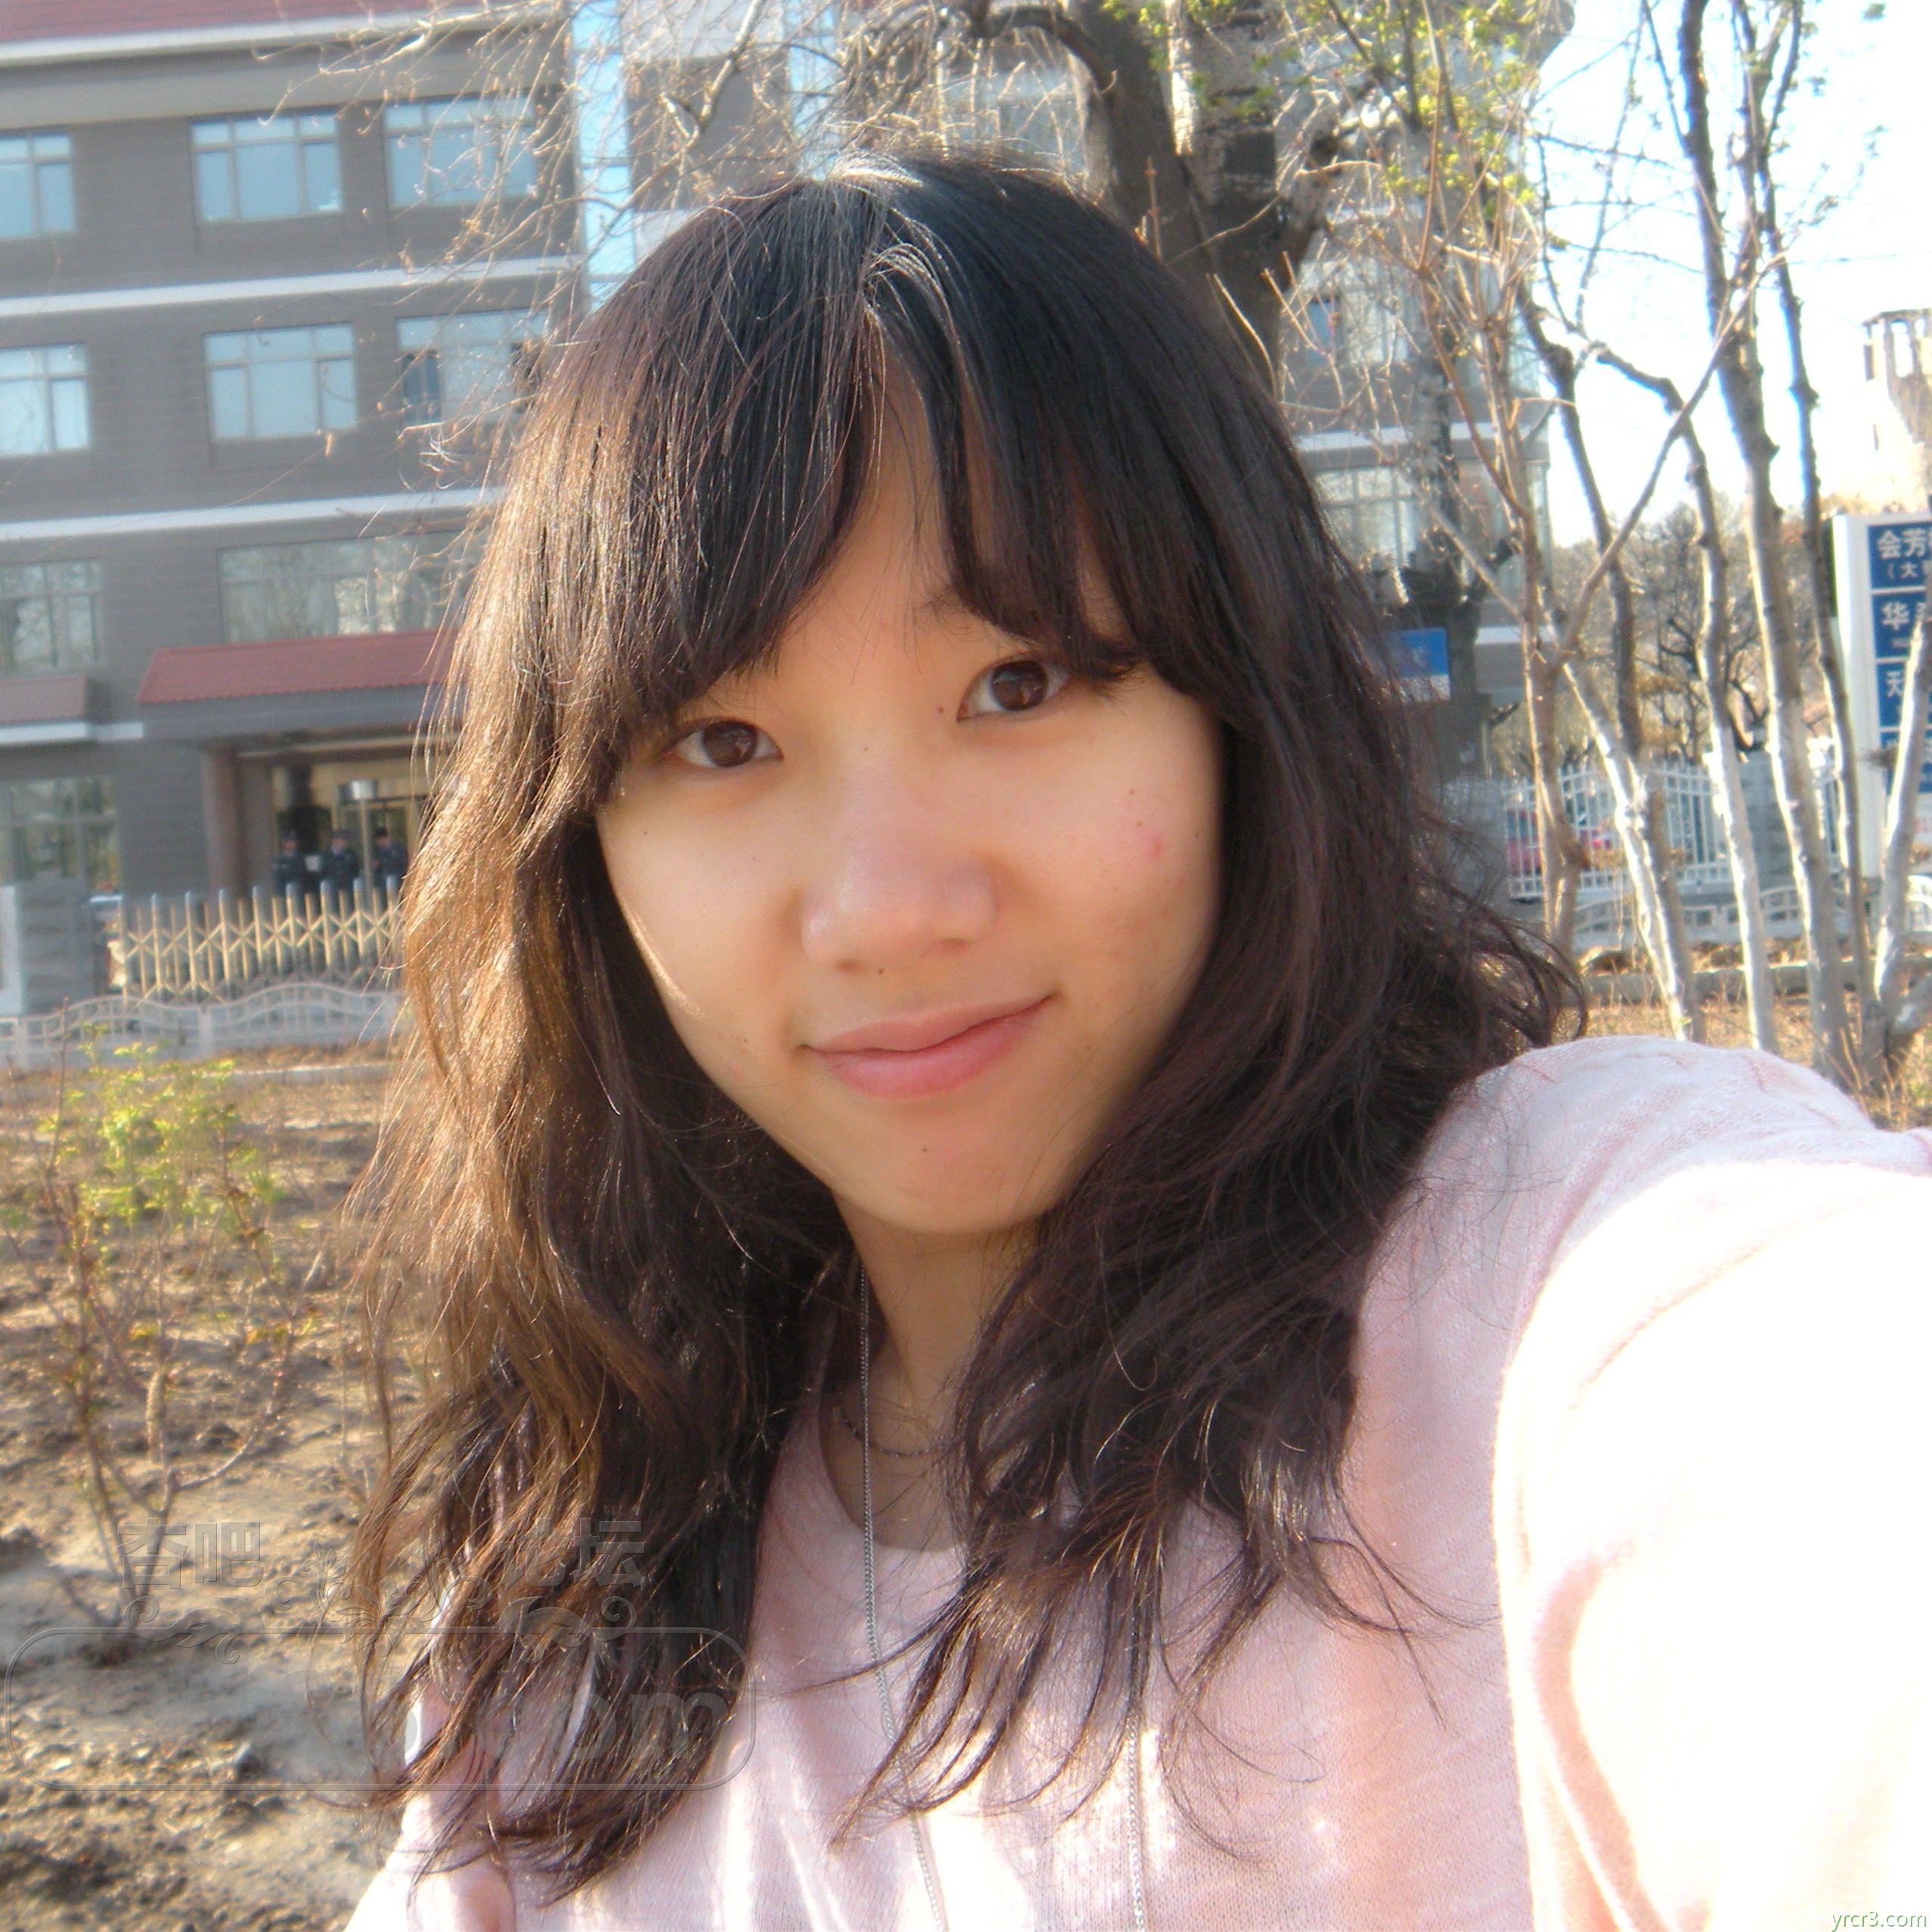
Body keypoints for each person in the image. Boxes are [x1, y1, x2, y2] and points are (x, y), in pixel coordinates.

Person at [342, 154, 1932, 1932]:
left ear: (1236, 714)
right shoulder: (567, 1623)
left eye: (1017, 683)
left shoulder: (1557, 1287)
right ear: (582, 848)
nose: (886, 906)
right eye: (721, 743)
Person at [318, 827, 362, 900]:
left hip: (347, 885)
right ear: (335, 840)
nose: (344, 842)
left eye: (346, 840)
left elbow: (355, 870)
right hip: (332, 885)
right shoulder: (326, 855)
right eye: (342, 840)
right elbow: (323, 871)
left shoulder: (351, 854)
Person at [372, 827, 409, 901]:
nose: (378, 843)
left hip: (397, 881)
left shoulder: (398, 849)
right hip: (384, 885)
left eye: (379, 840)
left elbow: (403, 864)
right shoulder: (379, 852)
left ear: (384, 838)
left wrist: (382, 863)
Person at [271, 830, 310, 901]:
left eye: (294, 842)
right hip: (284, 895)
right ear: (284, 843)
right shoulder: (279, 860)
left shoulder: (301, 858)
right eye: (290, 842)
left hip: (299, 894)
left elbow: (304, 877)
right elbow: (278, 880)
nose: (293, 844)